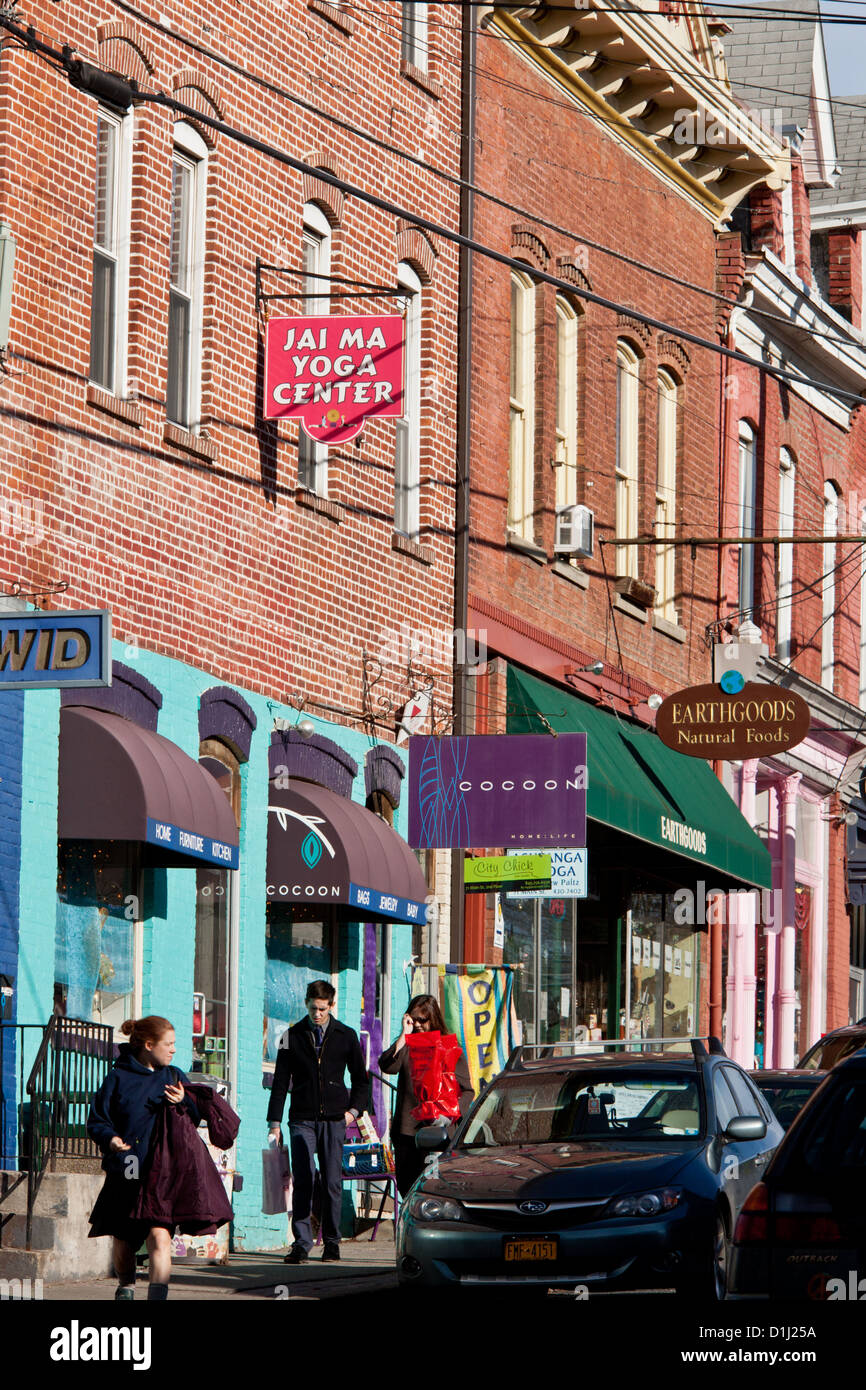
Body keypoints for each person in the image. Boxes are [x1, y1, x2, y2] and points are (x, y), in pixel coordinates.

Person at [87, 1015, 202, 1301]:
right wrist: (111, 1139)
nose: (174, 1050)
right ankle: (126, 1287)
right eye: (169, 1044)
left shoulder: (174, 1077)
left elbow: (197, 1117)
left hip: (162, 1170)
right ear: (149, 1045)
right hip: (128, 1166)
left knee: (160, 1235)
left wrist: (184, 1102)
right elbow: (98, 1121)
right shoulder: (118, 1078)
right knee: (124, 1238)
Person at [267, 979, 369, 1263]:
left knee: (332, 1182)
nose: (317, 1014)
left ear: (331, 1005)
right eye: (313, 1008)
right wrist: (274, 1122)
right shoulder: (292, 1035)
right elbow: (279, 1082)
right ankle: (301, 1243)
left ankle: (332, 1242)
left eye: (322, 1009)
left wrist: (353, 1112)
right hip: (301, 1118)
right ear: (306, 1004)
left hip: (335, 1120)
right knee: (304, 1178)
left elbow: (362, 1082)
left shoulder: (346, 1036)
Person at [378, 994, 474, 1197]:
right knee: (407, 1188)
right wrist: (404, 1035)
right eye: (414, 1019)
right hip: (407, 1132)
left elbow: (468, 1091)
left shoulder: (448, 1047)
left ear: (434, 1019)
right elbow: (387, 1066)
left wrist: (449, 1115)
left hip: (438, 1133)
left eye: (423, 1020)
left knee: (434, 1189)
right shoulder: (407, 1046)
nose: (419, 1024)